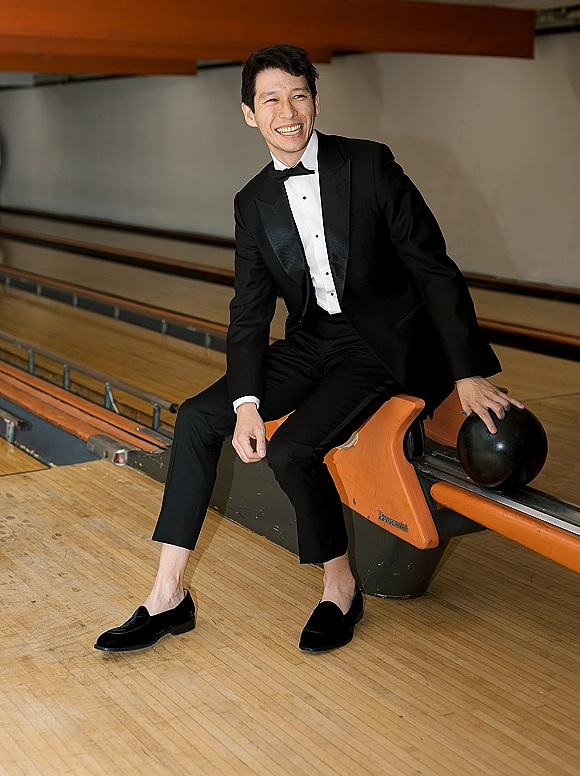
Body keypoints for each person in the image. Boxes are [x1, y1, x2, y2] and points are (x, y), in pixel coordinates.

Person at [95, 44, 522, 655]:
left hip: (380, 346)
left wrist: (468, 372)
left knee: (294, 450)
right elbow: (248, 310)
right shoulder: (253, 202)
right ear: (249, 114)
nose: (287, 111)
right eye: (271, 99)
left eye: (298, 95)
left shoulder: (370, 166)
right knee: (196, 418)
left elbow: (434, 270)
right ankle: (167, 597)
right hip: (312, 339)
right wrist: (246, 400)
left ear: (315, 102)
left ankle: (340, 587)